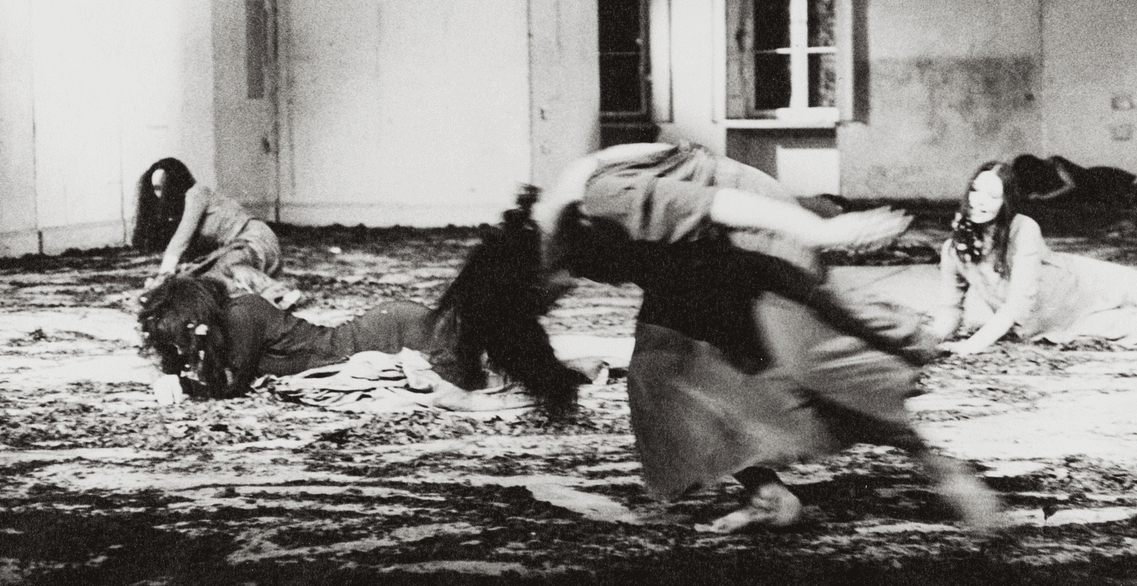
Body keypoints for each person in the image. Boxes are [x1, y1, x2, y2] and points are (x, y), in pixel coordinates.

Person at [518, 142, 999, 534]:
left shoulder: (602, 200)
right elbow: (473, 322)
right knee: (659, 372)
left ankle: (938, 468)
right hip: (691, 261)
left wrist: (821, 230)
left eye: (545, 301)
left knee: (808, 352)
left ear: (534, 274)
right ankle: (767, 495)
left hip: (745, 226)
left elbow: (721, 205)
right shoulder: (523, 239)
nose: (555, 306)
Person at [139, 194, 587, 411]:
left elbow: (229, 386)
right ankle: (545, 364)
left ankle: (547, 368)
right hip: (389, 321)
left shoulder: (243, 315)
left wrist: (184, 385)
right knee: (470, 346)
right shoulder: (233, 317)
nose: (179, 348)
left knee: (462, 377)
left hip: (386, 330)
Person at [929, 161, 1137, 355]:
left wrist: (973, 346)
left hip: (1086, 283)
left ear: (1008, 202)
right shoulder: (953, 249)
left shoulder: (1023, 228)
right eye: (975, 190)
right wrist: (930, 341)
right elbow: (949, 309)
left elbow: (1017, 304)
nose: (980, 200)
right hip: (1059, 324)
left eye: (993, 194)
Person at [133, 158, 302, 309]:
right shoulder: (180, 207)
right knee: (201, 279)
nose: (160, 194)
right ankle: (258, 295)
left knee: (225, 266)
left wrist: (163, 276)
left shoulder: (197, 193)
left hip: (254, 240)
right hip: (235, 250)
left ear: (176, 182)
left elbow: (180, 241)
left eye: (165, 186)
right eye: (156, 188)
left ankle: (280, 292)